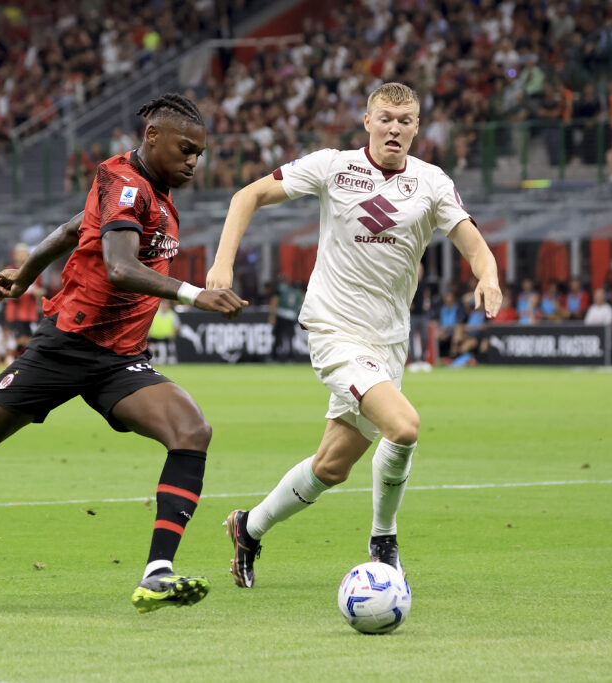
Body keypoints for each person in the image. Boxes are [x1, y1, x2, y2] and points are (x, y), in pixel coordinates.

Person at [0, 93, 247, 612]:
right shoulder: (128, 185)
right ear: (152, 136)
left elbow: (71, 229)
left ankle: (157, 572)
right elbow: (119, 267)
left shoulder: (148, 185)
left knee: (191, 431)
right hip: (64, 348)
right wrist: (197, 295)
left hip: (118, 360)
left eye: (200, 152)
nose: (194, 161)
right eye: (186, 149)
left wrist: (25, 271)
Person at [205, 82, 502, 588]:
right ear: (367, 121)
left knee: (331, 466)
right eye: (385, 118)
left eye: (405, 120)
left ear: (416, 128)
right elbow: (247, 195)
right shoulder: (333, 166)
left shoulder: (431, 183)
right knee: (404, 427)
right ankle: (383, 541)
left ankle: (248, 530)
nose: (394, 128)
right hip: (334, 331)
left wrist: (488, 276)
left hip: (388, 343)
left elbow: (474, 243)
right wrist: (222, 265)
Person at [267, 275, 304, 362]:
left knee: (278, 336)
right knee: (290, 337)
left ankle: (274, 357)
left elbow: (274, 302)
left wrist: (272, 316)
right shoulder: (296, 292)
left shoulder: (279, 290)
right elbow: (303, 300)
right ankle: (290, 357)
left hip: (281, 316)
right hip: (291, 316)